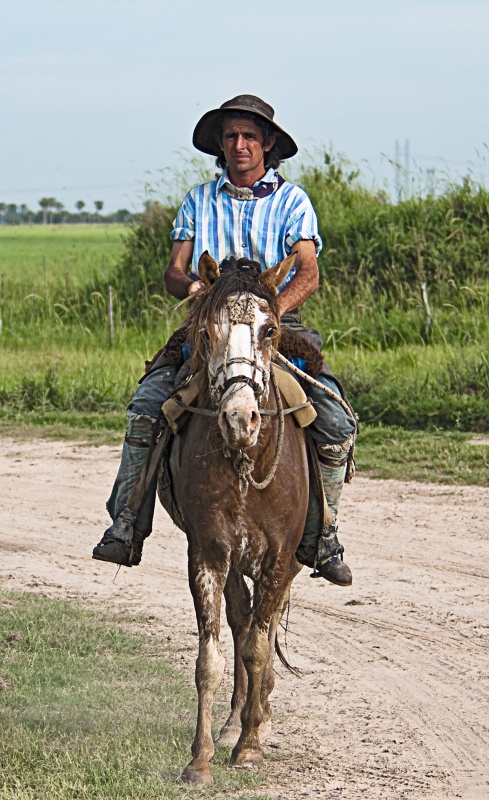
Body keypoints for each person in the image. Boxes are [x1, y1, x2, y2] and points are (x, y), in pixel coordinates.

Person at [93, 94, 356, 586]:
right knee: (147, 404)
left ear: (268, 144)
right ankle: (126, 524)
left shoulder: (293, 201)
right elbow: (174, 270)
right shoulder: (198, 200)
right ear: (220, 144)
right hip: (208, 327)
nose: (240, 145)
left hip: (275, 326)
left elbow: (308, 271)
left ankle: (324, 536)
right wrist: (193, 287)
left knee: (336, 419)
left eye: (250, 137)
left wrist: (270, 311)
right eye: (231, 136)